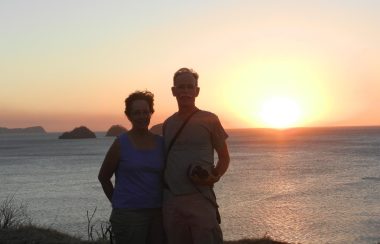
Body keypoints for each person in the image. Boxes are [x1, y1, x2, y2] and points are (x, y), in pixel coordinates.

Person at [162, 68, 230, 244]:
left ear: (197, 91)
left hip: (200, 197)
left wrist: (213, 177)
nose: (185, 91)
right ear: (173, 91)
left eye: (189, 87)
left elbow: (224, 158)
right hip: (172, 200)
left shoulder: (210, 119)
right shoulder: (168, 124)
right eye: (181, 87)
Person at [98, 90, 165, 244]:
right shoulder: (121, 143)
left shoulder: (161, 143)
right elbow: (103, 177)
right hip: (129, 215)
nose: (142, 116)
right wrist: (117, 202)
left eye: (145, 112)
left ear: (151, 113)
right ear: (129, 115)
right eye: (137, 113)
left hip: (157, 213)